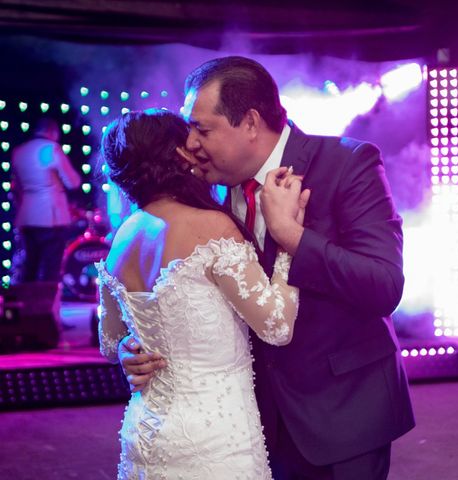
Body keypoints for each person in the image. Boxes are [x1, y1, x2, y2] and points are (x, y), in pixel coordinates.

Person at [120, 56, 415, 479]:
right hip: (252, 422)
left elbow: (384, 286)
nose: (191, 144)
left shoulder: (347, 163)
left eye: (202, 129)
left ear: (251, 122)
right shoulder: (207, 192)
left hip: (345, 411)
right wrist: (139, 344)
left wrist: (290, 235)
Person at [96, 108, 309, 478]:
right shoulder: (211, 227)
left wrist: (128, 348)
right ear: (178, 154)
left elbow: (109, 341)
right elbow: (276, 326)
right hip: (214, 437)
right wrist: (288, 240)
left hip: (146, 431)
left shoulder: (124, 237)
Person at [11, 117, 81, 282]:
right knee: (51, 268)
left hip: (27, 216)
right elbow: (73, 182)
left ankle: (27, 306)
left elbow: (17, 187)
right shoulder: (52, 149)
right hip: (50, 217)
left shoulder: (19, 151)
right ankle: (47, 307)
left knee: (30, 266)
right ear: (53, 132)